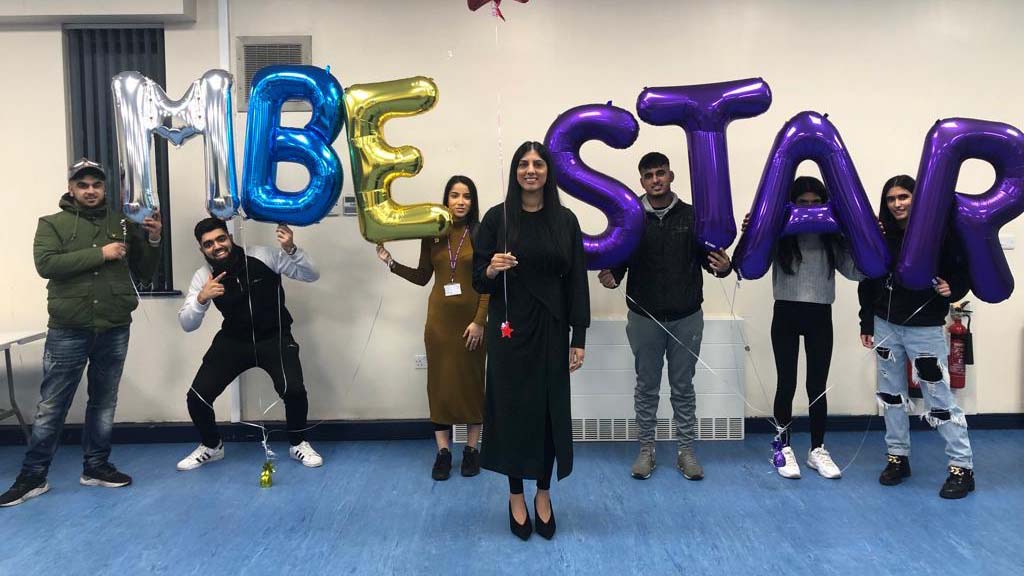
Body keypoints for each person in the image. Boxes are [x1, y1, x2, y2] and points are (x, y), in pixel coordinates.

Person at [0, 158, 162, 507]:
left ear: (104, 189)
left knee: (104, 402)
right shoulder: (51, 224)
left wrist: (152, 237)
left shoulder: (121, 222)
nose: (90, 191)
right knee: (51, 406)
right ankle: (33, 477)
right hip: (68, 328)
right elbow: (47, 265)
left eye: (96, 185)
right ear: (71, 188)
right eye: (83, 185)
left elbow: (145, 274)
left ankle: (96, 467)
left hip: (115, 325)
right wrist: (99, 253)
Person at [473, 141, 590, 540]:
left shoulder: (565, 220)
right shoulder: (496, 218)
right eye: (523, 164)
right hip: (509, 330)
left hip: (552, 330)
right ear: (515, 172)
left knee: (546, 414)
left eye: (538, 164)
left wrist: (579, 335)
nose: (531, 170)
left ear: (547, 172)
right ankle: (515, 495)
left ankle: (543, 492)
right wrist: (491, 268)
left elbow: (577, 281)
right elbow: (476, 276)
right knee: (511, 412)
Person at [597, 152, 731, 482]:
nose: (655, 180)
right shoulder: (631, 219)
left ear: (671, 176)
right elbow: (619, 262)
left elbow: (711, 262)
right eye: (648, 175)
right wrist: (611, 274)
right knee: (647, 388)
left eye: (660, 173)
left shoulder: (692, 217)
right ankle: (647, 451)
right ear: (640, 181)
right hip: (644, 318)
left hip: (686, 317)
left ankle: (686, 452)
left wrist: (726, 268)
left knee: (683, 387)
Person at [858, 174, 975, 499]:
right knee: (891, 395)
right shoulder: (878, 235)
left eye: (903, 197)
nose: (897, 204)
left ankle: (962, 467)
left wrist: (954, 287)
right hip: (885, 325)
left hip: (924, 327)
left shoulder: (938, 234)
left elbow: (962, 269)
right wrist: (866, 321)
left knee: (938, 398)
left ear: (916, 199)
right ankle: (897, 458)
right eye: (891, 198)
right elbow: (867, 280)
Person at [176, 218, 323, 471]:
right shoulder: (203, 276)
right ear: (202, 249)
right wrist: (201, 299)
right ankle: (212, 446)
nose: (217, 246)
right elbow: (187, 324)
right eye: (208, 244)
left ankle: (298, 442)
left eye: (221, 239)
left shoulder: (264, 256)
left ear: (230, 237)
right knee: (197, 397)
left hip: (274, 337)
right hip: (234, 340)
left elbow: (311, 275)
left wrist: (291, 249)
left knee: (294, 391)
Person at [376, 175, 488, 480]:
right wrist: (391, 263)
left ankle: (471, 451)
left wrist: (480, 321)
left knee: (472, 385)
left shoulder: (480, 232)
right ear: (446, 199)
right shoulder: (433, 233)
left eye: (467, 196)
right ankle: (443, 452)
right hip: (439, 324)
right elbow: (423, 276)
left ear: (472, 202)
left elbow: (488, 281)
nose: (461, 201)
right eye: (454, 195)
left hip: (472, 325)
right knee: (439, 386)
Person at [751, 176, 862, 480]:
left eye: (816, 203)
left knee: (816, 385)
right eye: (803, 204)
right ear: (792, 205)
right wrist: (755, 228)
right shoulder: (781, 236)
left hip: (819, 314)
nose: (811, 210)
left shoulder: (831, 237)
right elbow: (753, 263)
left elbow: (855, 272)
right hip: (786, 311)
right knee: (786, 383)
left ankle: (817, 449)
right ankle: (783, 447)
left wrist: (864, 240)